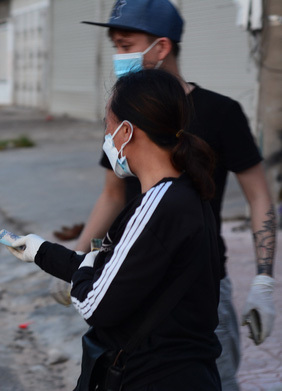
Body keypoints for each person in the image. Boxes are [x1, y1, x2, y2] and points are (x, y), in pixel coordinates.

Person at [51, 2, 277, 389]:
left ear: (162, 47)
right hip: (133, 279)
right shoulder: (125, 113)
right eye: (116, 47)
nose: (119, 56)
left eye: (126, 45)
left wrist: (263, 281)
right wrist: (80, 256)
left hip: (200, 285)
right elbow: (111, 194)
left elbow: (258, 197)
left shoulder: (222, 112)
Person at [10, 68, 222, 390]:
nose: (106, 138)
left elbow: (94, 303)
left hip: (155, 377)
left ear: (126, 131)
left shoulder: (157, 206)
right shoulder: (183, 193)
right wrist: (42, 252)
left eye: (107, 126)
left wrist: (85, 270)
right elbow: (118, 268)